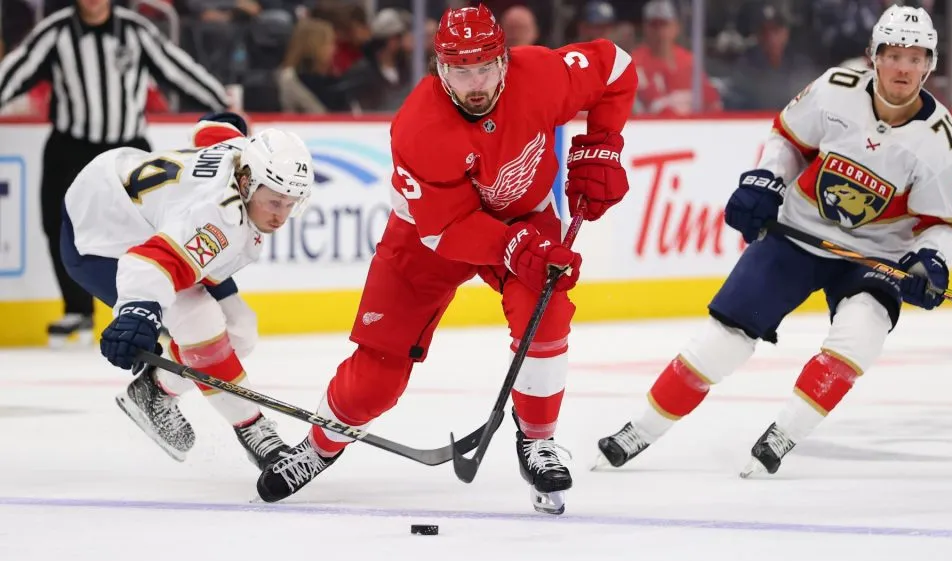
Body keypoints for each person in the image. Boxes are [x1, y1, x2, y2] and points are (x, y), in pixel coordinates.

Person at [255, 3, 637, 514]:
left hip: (525, 217)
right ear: (440, 69)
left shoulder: (542, 75)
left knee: (545, 316)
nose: (474, 83)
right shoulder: (418, 127)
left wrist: (602, 145)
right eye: (460, 71)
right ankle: (318, 447)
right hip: (427, 237)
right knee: (376, 379)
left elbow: (616, 67)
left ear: (504, 60)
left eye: (484, 67)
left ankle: (538, 440)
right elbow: (446, 230)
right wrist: (510, 247)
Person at [595, 5, 952, 477]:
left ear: (930, 65)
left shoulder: (943, 143)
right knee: (723, 339)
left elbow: (948, 225)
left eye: (915, 58)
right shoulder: (835, 89)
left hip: (876, 255)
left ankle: (783, 435)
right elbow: (789, 140)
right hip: (799, 231)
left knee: (860, 333)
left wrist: (930, 260)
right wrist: (767, 180)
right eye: (893, 54)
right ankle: (639, 431)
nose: (903, 67)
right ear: (873, 55)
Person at [61, 113, 315, 469]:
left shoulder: (243, 153)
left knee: (241, 327)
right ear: (245, 183)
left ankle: (153, 392)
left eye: (291, 204)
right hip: (101, 234)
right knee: (200, 321)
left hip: (135, 197)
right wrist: (138, 313)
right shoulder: (219, 220)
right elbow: (146, 265)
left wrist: (227, 123)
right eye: (274, 202)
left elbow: (213, 130)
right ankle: (256, 433)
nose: (280, 216)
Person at [0, 0, 230, 346]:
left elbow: (178, 70)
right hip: (70, 146)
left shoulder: (136, 30)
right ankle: (77, 310)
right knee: (60, 226)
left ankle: (146, 305)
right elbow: (17, 71)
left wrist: (223, 106)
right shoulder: (56, 31)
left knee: (144, 229)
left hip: (126, 152)